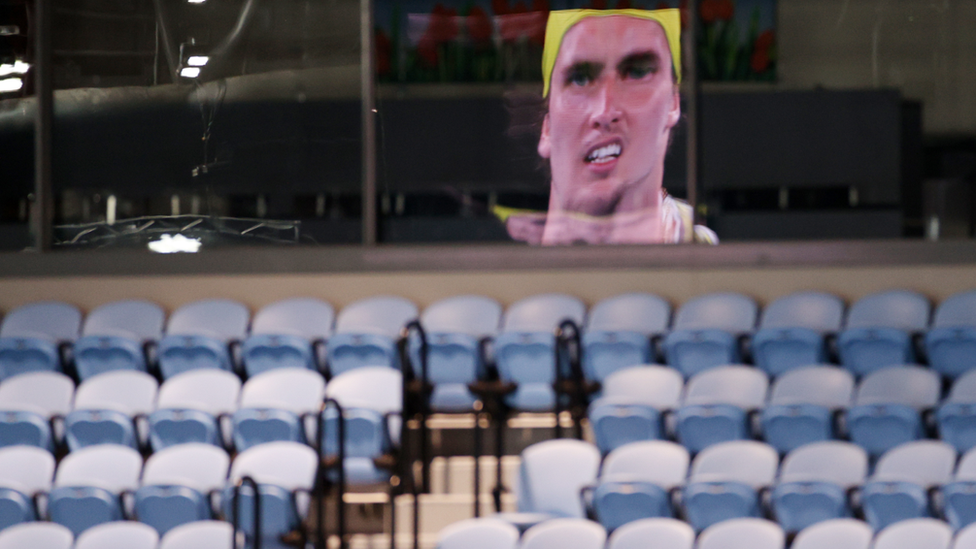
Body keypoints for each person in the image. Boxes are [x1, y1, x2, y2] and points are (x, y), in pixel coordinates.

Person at [499, 8, 717, 245]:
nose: (605, 111)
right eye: (580, 79)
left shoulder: (708, 257)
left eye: (637, 73)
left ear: (673, 104)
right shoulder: (493, 263)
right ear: (547, 128)